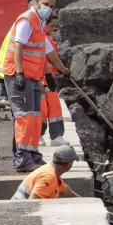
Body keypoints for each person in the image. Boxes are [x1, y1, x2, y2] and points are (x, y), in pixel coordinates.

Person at [2, 0, 58, 173]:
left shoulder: (39, 23)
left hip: (33, 76)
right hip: (21, 76)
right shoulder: (27, 20)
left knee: (34, 117)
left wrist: (47, 75)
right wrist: (19, 73)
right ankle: (22, 159)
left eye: (51, 6)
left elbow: (40, 53)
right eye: (46, 4)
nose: (48, 8)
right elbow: (18, 47)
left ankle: (33, 155)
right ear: (37, 1)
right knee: (25, 117)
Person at [39, 12, 68, 146]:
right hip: (40, 80)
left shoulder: (48, 39)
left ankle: (57, 136)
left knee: (55, 108)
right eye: (51, 26)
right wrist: (65, 70)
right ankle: (38, 135)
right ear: (44, 24)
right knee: (41, 110)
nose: (53, 30)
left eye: (56, 27)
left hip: (50, 81)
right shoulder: (42, 39)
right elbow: (54, 60)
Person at [11, 145, 78, 200]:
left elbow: (65, 192)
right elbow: (32, 201)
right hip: (20, 210)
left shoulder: (52, 171)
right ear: (68, 165)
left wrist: (81, 200)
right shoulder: (49, 176)